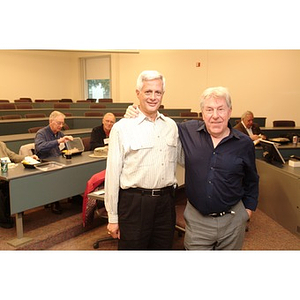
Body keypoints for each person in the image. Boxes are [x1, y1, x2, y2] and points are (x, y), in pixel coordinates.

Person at [125, 86, 259, 250]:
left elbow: (252, 179)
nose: (215, 115)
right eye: (209, 109)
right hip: (197, 222)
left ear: (230, 112)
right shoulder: (188, 131)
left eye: (220, 109)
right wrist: (135, 111)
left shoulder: (244, 143)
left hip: (232, 221)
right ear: (202, 113)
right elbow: (161, 123)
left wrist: (248, 210)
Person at [104, 70, 178, 250]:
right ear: (138, 94)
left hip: (166, 203)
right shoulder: (122, 127)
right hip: (135, 204)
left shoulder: (171, 126)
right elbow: (112, 175)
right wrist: (113, 218)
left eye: (158, 92)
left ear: (163, 94)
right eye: (148, 92)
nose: (153, 97)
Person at [35, 110, 74, 214]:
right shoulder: (41, 133)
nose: (61, 126)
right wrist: (58, 141)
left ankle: (73, 195)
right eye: (59, 123)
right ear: (51, 121)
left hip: (59, 160)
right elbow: (40, 147)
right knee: (56, 173)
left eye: (62, 123)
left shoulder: (60, 133)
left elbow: (64, 148)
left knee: (73, 168)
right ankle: (54, 201)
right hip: (46, 162)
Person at [0, 142, 39, 228]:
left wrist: (27, 157)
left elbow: (13, 156)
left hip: (5, 176)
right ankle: (3, 220)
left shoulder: (1, 145)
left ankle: (16, 211)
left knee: (16, 184)